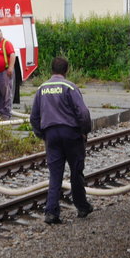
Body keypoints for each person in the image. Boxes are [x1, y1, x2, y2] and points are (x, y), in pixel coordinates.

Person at [30, 55, 94, 224]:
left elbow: (34, 116)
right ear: (66, 70)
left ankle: (51, 212)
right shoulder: (70, 87)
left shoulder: (41, 89)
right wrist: (84, 131)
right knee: (76, 172)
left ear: (51, 69)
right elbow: (83, 113)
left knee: (55, 174)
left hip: (51, 135)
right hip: (71, 134)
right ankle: (81, 207)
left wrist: (41, 133)